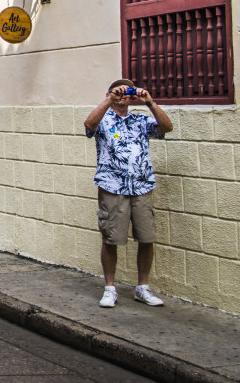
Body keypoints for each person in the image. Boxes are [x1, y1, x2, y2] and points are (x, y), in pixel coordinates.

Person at [83, 79, 174, 308]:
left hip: (142, 186)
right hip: (112, 186)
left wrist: (150, 102)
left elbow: (166, 127)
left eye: (127, 91)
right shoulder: (103, 119)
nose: (123, 95)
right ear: (109, 94)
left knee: (146, 237)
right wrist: (109, 100)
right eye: (118, 91)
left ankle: (142, 287)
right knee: (111, 238)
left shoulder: (140, 120)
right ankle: (110, 288)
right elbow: (88, 125)